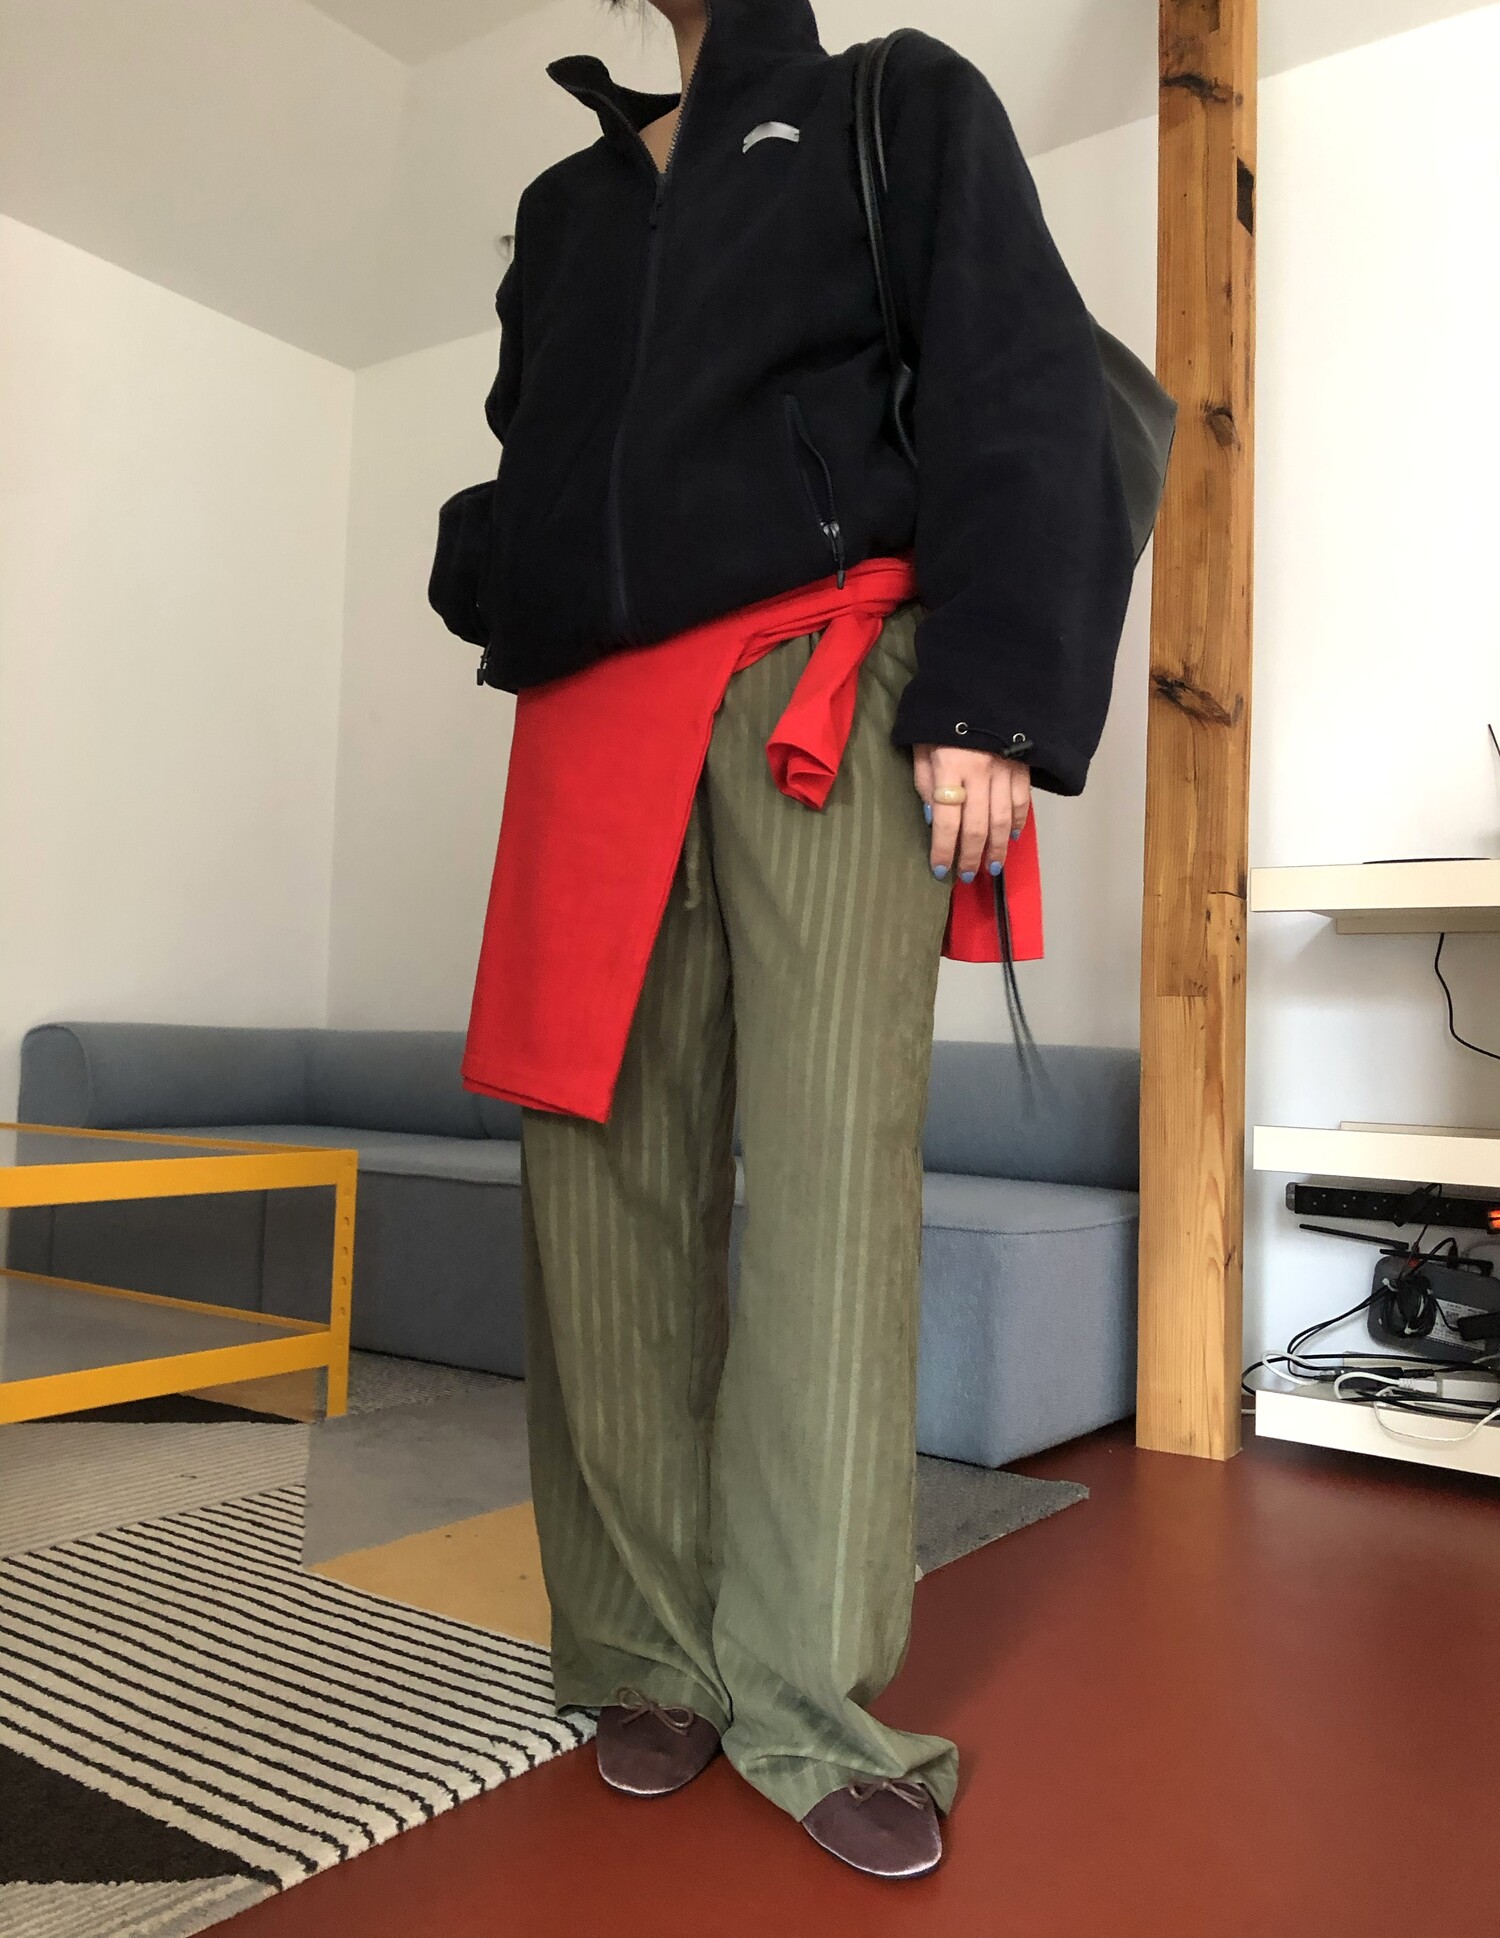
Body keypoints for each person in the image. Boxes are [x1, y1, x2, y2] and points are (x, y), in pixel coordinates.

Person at [428, 0, 1133, 1882]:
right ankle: (641, 1650)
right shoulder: (565, 208)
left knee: (828, 1178)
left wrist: (987, 695)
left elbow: (1018, 375)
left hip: (820, 674)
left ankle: (807, 1692)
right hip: (589, 716)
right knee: (597, 1183)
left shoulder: (890, 100)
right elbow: (535, 446)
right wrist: (490, 558)